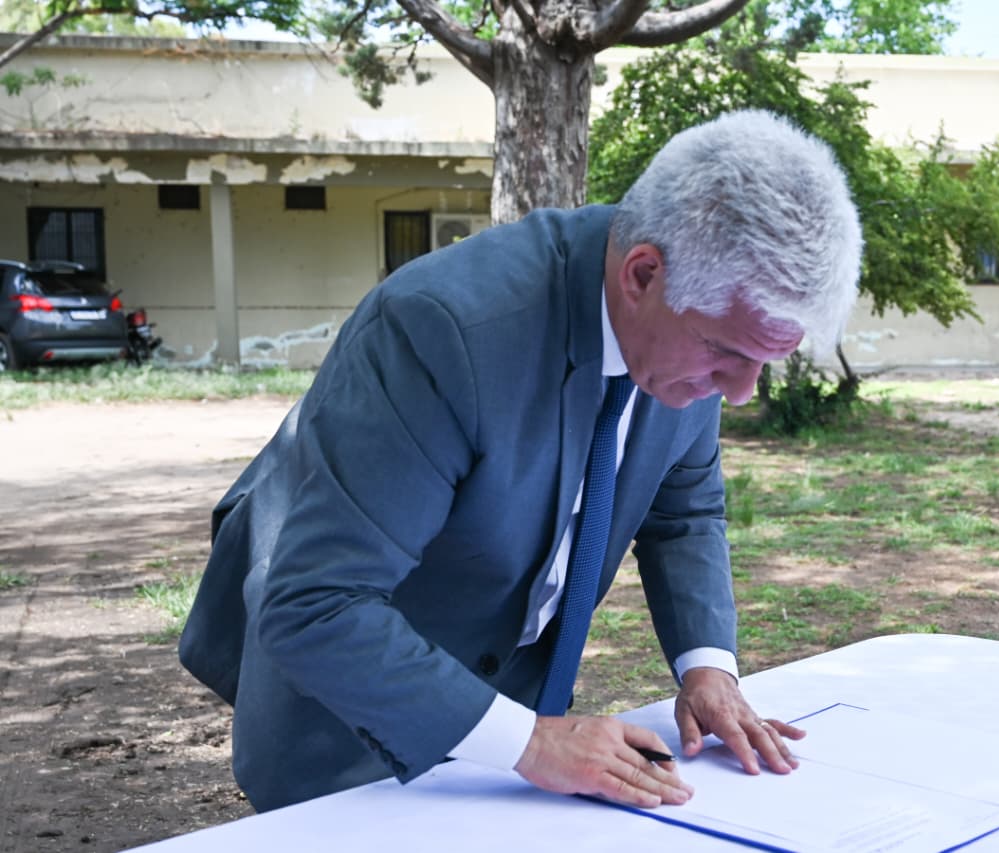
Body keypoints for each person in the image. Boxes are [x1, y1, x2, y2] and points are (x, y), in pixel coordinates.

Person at [179, 110, 864, 812]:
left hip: (512, 725)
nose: (741, 392)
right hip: (349, 729)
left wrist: (708, 667)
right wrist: (531, 743)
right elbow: (317, 605)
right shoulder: (442, 330)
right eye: (727, 353)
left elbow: (684, 513)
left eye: (764, 361)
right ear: (642, 274)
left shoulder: (690, 332)